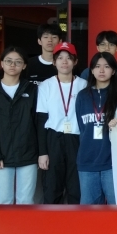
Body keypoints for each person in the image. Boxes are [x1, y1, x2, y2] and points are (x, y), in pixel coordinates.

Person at [0, 46, 40, 205]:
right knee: (3, 201)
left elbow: (38, 123)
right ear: (1, 64)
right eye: (9, 61)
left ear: (24, 65)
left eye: (18, 62)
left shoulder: (32, 90)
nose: (13, 65)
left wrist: (41, 153)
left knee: (26, 201)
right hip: (1, 155)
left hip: (28, 154)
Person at [36, 42, 86, 204]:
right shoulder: (46, 86)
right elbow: (41, 120)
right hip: (53, 139)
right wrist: (43, 152)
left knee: (76, 188)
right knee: (52, 188)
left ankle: (75, 220)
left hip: (77, 139)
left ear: (75, 61)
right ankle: (51, 220)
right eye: (60, 58)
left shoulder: (84, 85)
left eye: (69, 58)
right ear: (54, 62)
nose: (64, 62)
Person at [76, 52, 117, 205]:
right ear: (91, 70)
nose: (101, 70)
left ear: (114, 70)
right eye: (97, 66)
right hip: (87, 161)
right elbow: (82, 128)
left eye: (107, 66)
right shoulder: (82, 96)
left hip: (113, 163)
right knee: (89, 213)